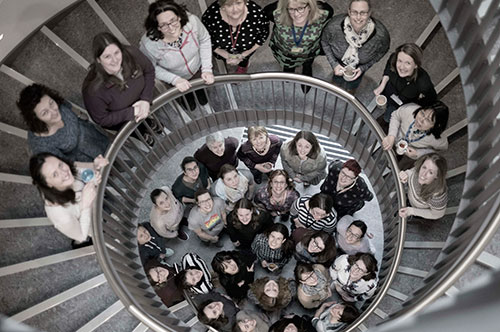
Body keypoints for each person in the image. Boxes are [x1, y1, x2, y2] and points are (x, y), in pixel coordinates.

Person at [140, 0, 214, 110]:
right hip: (175, 75)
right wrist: (174, 80)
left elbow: (204, 39)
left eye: (173, 21)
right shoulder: (149, 44)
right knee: (186, 95)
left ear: (179, 17)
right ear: (157, 27)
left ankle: (200, 95)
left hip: (197, 68)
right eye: (163, 25)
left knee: (200, 89)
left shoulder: (192, 22)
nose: (171, 28)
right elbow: (151, 67)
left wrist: (207, 68)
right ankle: (188, 100)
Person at [82, 32, 156, 139]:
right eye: (107, 56)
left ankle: (151, 124)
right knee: (135, 130)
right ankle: (142, 134)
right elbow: (101, 119)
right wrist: (131, 112)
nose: (115, 60)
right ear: (98, 60)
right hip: (122, 119)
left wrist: (146, 99)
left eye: (116, 53)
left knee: (150, 122)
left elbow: (149, 70)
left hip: (143, 101)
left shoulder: (132, 55)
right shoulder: (93, 90)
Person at [29, 152, 108, 247]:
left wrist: (95, 167)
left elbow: (82, 173)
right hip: (94, 226)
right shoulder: (60, 216)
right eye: (55, 174)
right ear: (47, 184)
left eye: (60, 164)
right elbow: (82, 236)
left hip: (100, 207)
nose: (64, 172)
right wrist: (86, 206)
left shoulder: (69, 171)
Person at [18, 84, 109, 164]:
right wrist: (94, 166)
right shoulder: (41, 145)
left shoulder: (57, 102)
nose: (54, 111)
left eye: (51, 103)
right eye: (45, 113)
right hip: (87, 159)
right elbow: (65, 164)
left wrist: (82, 116)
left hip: (95, 135)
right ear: (36, 118)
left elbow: (69, 107)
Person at [321, 0, 390, 92]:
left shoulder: (381, 35)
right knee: (336, 81)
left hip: (359, 68)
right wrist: (334, 64)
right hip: (338, 62)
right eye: (354, 12)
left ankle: (350, 91)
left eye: (363, 13)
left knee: (353, 85)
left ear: (369, 13)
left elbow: (382, 51)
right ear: (349, 12)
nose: (358, 17)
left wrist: (364, 67)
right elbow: (324, 42)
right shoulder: (333, 27)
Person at [264, 0, 333, 88]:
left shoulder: (324, 13)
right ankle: (288, 69)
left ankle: (307, 69)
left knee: (308, 63)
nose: (296, 14)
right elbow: (266, 15)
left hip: (309, 51)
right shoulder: (274, 12)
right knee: (287, 65)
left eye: (301, 8)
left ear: (309, 6)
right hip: (285, 52)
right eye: (291, 9)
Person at [374, 43, 438, 131]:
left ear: (416, 65)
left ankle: (384, 123)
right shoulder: (394, 58)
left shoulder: (423, 82)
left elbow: (431, 99)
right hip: (388, 90)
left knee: (388, 117)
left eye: (408, 63)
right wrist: (382, 85)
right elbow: (388, 68)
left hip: (401, 103)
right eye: (399, 61)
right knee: (383, 106)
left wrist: (414, 107)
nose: (401, 67)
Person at [202, 0, 270, 74]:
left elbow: (262, 37)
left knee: (244, 61)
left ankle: (243, 65)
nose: (235, 9)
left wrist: (243, 55)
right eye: (229, 5)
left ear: (245, 2)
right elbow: (205, 39)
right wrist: (226, 55)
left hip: (246, 51)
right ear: (222, 5)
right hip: (221, 51)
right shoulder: (210, 17)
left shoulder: (257, 15)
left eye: (239, 3)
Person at [381, 101, 449, 170]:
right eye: (422, 113)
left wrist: (418, 153)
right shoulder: (409, 110)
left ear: (437, 125)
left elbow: (439, 150)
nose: (421, 120)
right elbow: (396, 115)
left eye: (428, 120)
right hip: (395, 138)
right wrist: (392, 135)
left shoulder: (437, 140)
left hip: (409, 155)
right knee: (388, 150)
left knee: (402, 165)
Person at [398, 153, 448, 220]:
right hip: (410, 199)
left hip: (418, 211)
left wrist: (412, 211)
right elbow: (411, 173)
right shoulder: (418, 170)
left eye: (430, 172)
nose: (423, 174)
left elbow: (437, 214)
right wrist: (405, 174)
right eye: (424, 167)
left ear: (437, 176)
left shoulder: (437, 195)